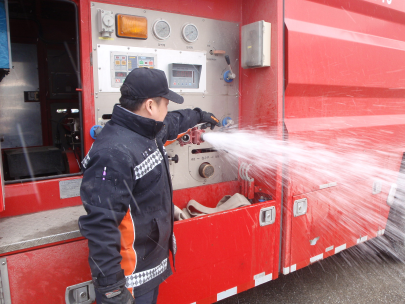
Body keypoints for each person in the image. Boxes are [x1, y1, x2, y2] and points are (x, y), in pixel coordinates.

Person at [79, 68, 220, 304]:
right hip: (131, 281)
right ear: (150, 106)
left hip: (148, 267)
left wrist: (200, 115)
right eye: (165, 104)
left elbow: (174, 122)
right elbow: (100, 226)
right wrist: (112, 289)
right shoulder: (113, 153)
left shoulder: (144, 131)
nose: (167, 111)